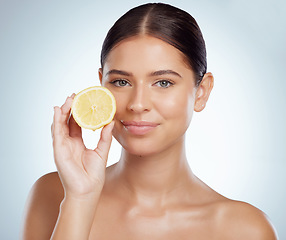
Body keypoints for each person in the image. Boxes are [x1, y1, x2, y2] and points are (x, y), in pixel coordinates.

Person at [21, 3, 278, 239]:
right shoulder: (53, 194)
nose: (138, 103)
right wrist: (80, 200)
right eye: (121, 82)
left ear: (202, 92)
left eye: (163, 82)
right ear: (102, 84)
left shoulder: (245, 229)